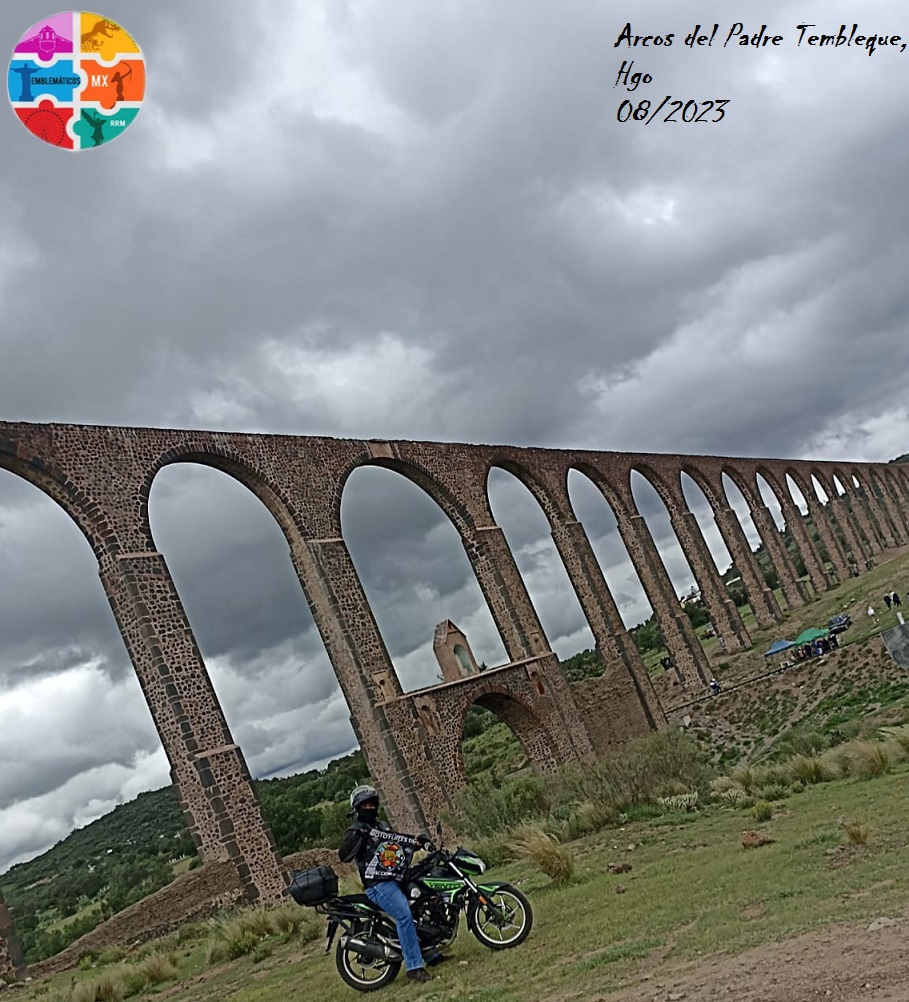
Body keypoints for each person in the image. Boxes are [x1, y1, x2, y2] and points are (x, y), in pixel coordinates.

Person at [338, 785, 436, 983]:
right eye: (364, 805)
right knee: (404, 916)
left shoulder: (381, 826)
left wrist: (416, 842)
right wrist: (358, 837)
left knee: (422, 904)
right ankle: (414, 967)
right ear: (357, 809)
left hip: (396, 878)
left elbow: (396, 844)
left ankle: (431, 952)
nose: (369, 808)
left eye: (371, 804)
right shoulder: (356, 830)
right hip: (378, 885)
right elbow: (344, 855)